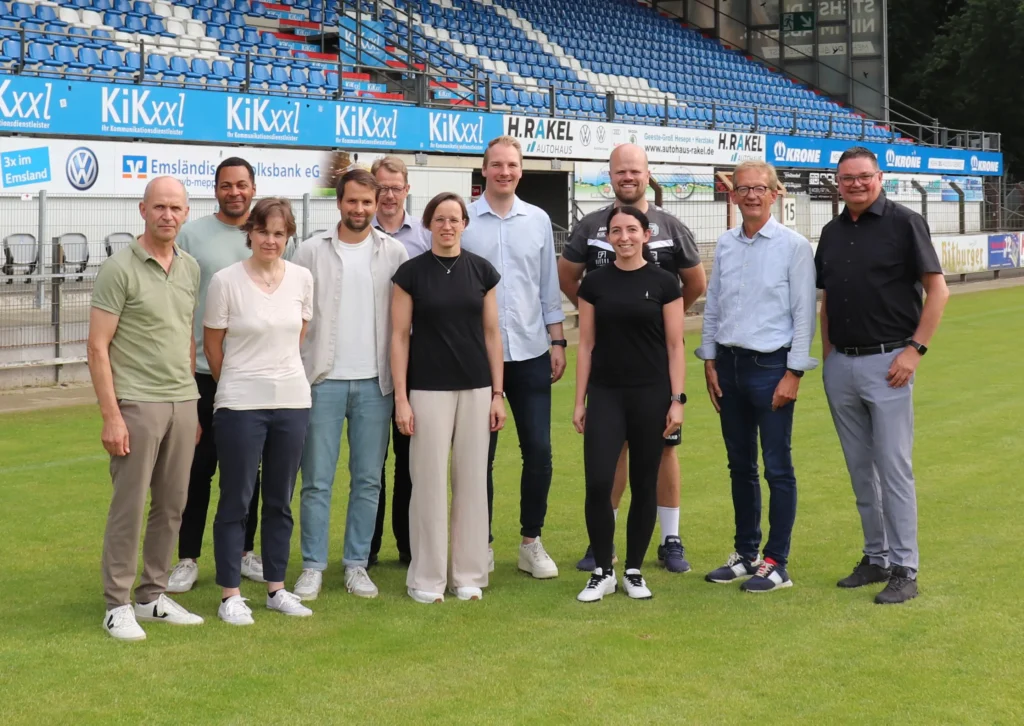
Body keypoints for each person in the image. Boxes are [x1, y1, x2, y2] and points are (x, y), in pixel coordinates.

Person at [558, 144, 707, 574]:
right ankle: (602, 542)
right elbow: (570, 278)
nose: (628, 177)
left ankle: (670, 539)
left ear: (648, 173)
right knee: (612, 453)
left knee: (663, 451)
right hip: (609, 367)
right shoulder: (590, 225)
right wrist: (603, 311)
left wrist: (666, 319)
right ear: (610, 175)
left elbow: (693, 283)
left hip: (653, 369)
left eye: (635, 171)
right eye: (620, 171)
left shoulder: (671, 226)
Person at [816, 147, 949, 605]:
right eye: (847, 178)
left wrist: (914, 351)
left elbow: (938, 290)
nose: (855, 184)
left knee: (893, 468)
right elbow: (829, 299)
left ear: (879, 177)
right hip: (843, 365)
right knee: (860, 471)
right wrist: (828, 355)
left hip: (891, 363)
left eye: (864, 176)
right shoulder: (831, 233)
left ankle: (904, 567)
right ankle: (875, 557)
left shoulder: (905, 222)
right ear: (838, 182)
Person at [87, 176, 204, 640]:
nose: (167, 215)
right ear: (142, 210)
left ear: (185, 213)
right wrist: (112, 416)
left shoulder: (191, 267)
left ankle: (152, 595)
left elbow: (184, 336)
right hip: (136, 403)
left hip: (182, 402)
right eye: (159, 207)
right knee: (129, 507)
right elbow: (97, 348)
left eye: (176, 208)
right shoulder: (119, 268)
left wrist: (190, 401)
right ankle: (117, 603)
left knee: (172, 506)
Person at [695, 161, 817, 593]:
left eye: (759, 188)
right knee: (739, 466)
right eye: (742, 188)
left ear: (774, 194)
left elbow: (805, 313)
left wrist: (795, 372)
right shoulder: (726, 244)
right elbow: (715, 305)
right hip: (728, 366)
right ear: (733, 195)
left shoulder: (794, 246)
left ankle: (776, 561)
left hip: (772, 368)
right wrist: (709, 359)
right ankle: (746, 554)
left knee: (777, 468)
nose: (750, 195)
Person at [291, 167, 409, 601]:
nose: (359, 209)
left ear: (377, 204)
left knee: (367, 480)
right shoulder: (309, 252)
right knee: (317, 480)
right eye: (352, 201)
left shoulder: (394, 253)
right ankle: (312, 566)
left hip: (376, 385)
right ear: (339, 202)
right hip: (321, 381)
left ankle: (356, 564)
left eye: (367, 202)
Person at [203, 198, 314, 625]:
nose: (271, 240)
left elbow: (297, 336)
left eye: (279, 233)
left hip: (292, 402)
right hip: (239, 405)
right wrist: (235, 383)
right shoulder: (225, 281)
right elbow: (214, 346)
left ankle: (276, 589)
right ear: (250, 233)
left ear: (288, 237)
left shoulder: (302, 279)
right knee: (237, 498)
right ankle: (230, 594)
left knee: (279, 501)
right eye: (264, 231)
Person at [460, 135, 566, 579]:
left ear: (521, 171)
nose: (505, 172)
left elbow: (546, 284)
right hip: (477, 358)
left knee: (539, 450)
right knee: (478, 454)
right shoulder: (464, 222)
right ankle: (478, 543)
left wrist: (557, 339)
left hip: (530, 352)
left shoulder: (538, 220)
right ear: (484, 170)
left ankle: (530, 541)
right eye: (497, 165)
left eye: (512, 165)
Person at [392, 192, 506, 603]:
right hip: (426, 390)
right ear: (428, 225)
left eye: (454, 219)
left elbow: (493, 335)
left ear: (464, 224)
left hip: (476, 388)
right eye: (439, 219)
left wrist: (498, 393)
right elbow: (398, 338)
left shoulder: (482, 271)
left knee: (473, 481)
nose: (447, 226)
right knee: (427, 483)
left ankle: (469, 574)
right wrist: (401, 398)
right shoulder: (410, 274)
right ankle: (426, 577)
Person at [572, 206, 686, 602]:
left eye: (631, 230)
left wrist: (677, 401)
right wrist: (579, 400)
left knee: (643, 482)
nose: (623, 237)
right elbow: (585, 345)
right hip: (605, 394)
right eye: (616, 231)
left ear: (645, 234)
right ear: (608, 237)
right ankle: (603, 569)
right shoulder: (594, 283)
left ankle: (633, 570)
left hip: (652, 395)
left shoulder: (664, 282)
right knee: (599, 482)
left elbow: (675, 346)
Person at [168, 157, 264, 594]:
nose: (235, 192)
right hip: (204, 375)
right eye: (226, 185)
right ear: (216, 190)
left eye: (242, 185)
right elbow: (180, 302)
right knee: (196, 469)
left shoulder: (265, 236)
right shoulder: (192, 235)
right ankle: (187, 558)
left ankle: (245, 553)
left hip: (252, 374)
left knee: (246, 473)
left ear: (253, 188)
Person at [369, 156, 430, 568]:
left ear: (407, 189)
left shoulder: (426, 238)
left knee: (411, 461)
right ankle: (366, 548)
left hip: (419, 363)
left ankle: (409, 546)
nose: (388, 195)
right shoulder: (356, 232)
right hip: (369, 362)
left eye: (395, 187)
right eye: (381, 188)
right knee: (371, 464)